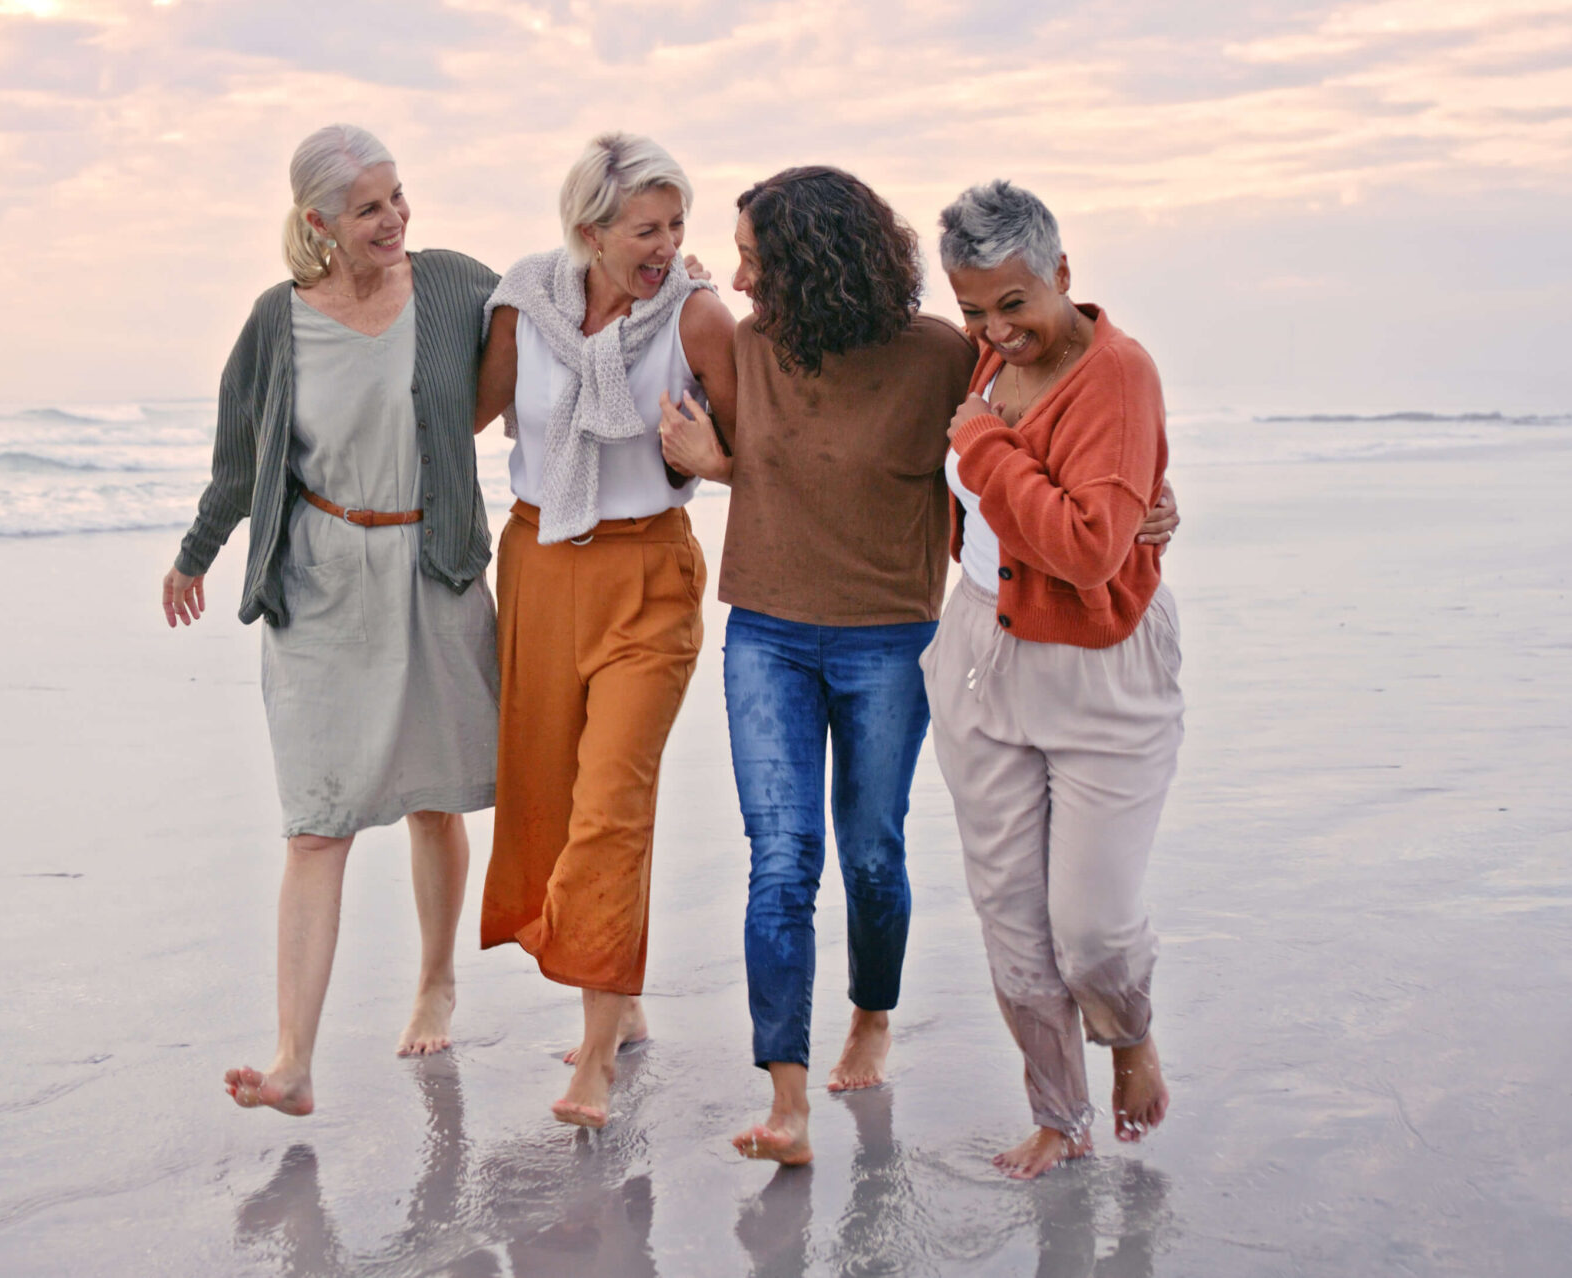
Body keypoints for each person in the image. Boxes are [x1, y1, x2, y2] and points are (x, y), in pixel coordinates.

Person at [658, 169, 1179, 1168]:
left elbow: (1056, 464)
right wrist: (714, 462)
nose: (739, 276)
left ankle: (896, 1017)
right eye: (978, 306)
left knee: (881, 859)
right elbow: (737, 413)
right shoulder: (762, 341)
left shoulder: (952, 359)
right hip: (797, 634)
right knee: (787, 865)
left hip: (900, 638)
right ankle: (794, 1101)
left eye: (759, 261)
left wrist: (1146, 514)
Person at [165, 124, 503, 1116]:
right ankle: (292, 1062)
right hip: (320, 582)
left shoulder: (450, 286)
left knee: (435, 798)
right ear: (318, 222)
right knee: (317, 821)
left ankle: (437, 976)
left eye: (398, 198)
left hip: (432, 564)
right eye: (368, 208)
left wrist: (669, 283)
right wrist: (197, 550)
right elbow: (240, 456)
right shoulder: (278, 323)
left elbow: (558, 308)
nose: (394, 220)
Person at [472, 132, 738, 1129]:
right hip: (538, 563)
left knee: (610, 804)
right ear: (588, 230)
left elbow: (759, 453)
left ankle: (593, 1055)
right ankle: (618, 999)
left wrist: (708, 457)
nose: (665, 246)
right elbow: (459, 414)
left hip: (647, 574)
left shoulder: (698, 317)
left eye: (676, 226)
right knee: (545, 792)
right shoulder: (524, 304)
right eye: (645, 229)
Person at [925, 179, 1184, 1178]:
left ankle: (1127, 1036)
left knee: (1091, 928)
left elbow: (1084, 548)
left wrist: (983, 445)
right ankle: (1059, 1114)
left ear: (1062, 277)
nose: (996, 330)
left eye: (1013, 304)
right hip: (981, 657)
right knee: (1008, 918)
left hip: (1099, 669)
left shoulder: (1118, 374)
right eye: (974, 311)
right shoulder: (986, 359)